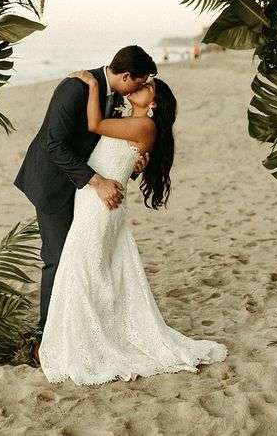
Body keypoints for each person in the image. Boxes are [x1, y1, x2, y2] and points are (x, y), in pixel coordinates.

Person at [37, 67, 228, 385]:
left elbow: (94, 125)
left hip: (101, 204)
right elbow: (115, 155)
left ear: (154, 103)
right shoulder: (131, 121)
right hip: (94, 198)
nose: (142, 85)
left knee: (82, 269)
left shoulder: (143, 124)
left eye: (149, 86)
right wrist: (136, 163)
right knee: (87, 269)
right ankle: (81, 335)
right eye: (143, 81)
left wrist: (91, 85)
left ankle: (81, 342)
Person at [13, 45, 157, 358]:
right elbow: (54, 145)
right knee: (58, 257)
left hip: (85, 189)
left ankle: (79, 328)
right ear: (126, 76)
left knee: (81, 259)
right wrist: (98, 181)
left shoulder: (118, 95)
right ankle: (45, 338)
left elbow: (107, 145)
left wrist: (132, 165)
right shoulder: (75, 88)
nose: (142, 89)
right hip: (53, 183)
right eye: (140, 82)